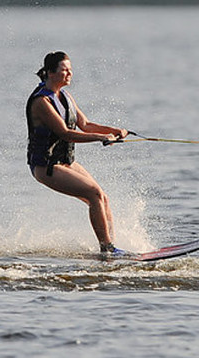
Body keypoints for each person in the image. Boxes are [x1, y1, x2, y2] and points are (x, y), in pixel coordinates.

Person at [25, 51, 128, 254]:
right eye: (64, 70)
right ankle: (107, 249)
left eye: (70, 70)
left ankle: (112, 246)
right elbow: (65, 133)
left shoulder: (65, 96)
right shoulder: (41, 102)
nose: (69, 74)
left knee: (102, 197)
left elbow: (85, 124)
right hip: (46, 167)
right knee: (94, 193)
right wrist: (100, 138)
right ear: (50, 73)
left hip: (65, 162)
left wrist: (113, 131)